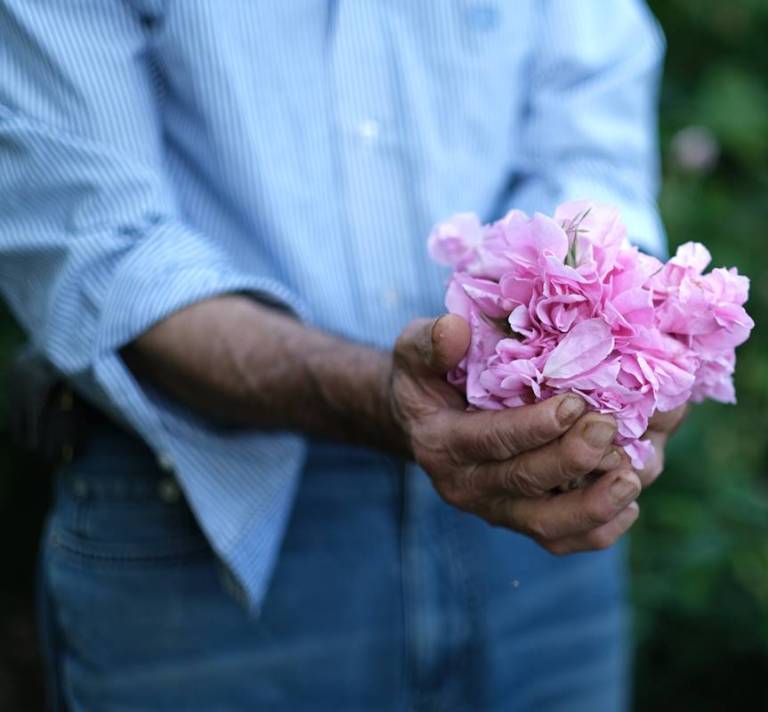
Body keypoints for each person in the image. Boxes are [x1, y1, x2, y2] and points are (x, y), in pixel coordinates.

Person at [0, 1, 682, 708]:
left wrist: (622, 331)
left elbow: (591, 139)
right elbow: (105, 252)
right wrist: (394, 399)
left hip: (541, 521)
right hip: (207, 508)